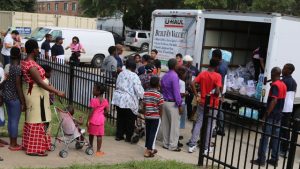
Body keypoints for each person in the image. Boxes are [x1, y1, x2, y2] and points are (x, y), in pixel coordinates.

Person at [21, 39, 65, 156]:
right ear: (34, 50)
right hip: (36, 95)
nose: (38, 51)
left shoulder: (26, 61)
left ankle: (32, 145)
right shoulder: (31, 65)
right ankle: (35, 149)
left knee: (36, 119)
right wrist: (57, 92)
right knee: (38, 120)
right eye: (37, 49)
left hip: (35, 94)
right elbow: (40, 82)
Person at [251, 67, 287, 167]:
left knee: (265, 138)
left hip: (271, 116)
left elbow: (274, 100)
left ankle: (261, 160)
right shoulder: (283, 84)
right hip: (279, 115)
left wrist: (265, 116)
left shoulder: (275, 85)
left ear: (273, 73)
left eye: (271, 72)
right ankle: (274, 159)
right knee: (276, 138)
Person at [188, 59, 222, 154]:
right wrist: (217, 90)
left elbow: (192, 83)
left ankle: (192, 145)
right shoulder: (218, 76)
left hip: (202, 101)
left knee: (199, 123)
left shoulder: (203, 74)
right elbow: (217, 92)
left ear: (209, 64)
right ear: (217, 67)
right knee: (210, 125)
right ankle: (206, 147)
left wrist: (196, 95)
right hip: (213, 103)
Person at [112, 59, 144, 142]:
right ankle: (128, 137)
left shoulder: (121, 73)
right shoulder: (134, 76)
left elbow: (117, 84)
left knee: (120, 117)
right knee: (130, 119)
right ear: (134, 68)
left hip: (119, 98)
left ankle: (119, 135)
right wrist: (143, 96)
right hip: (129, 100)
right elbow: (138, 89)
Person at [3, 47, 26, 151]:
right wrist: (22, 101)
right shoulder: (17, 68)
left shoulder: (8, 66)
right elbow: (18, 86)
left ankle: (12, 141)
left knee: (10, 119)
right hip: (14, 97)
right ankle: (13, 144)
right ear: (19, 55)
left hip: (6, 96)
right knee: (14, 121)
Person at [161, 58, 183, 152]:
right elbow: (176, 92)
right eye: (177, 64)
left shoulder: (164, 76)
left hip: (164, 102)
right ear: (174, 66)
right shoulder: (175, 76)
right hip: (172, 103)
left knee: (166, 124)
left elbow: (161, 88)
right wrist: (180, 105)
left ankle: (165, 144)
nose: (179, 65)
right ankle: (173, 146)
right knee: (174, 126)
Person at [143, 76, 164, 158]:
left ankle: (150, 148)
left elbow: (144, 105)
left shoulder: (146, 93)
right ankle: (148, 150)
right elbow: (161, 108)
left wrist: (145, 114)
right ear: (158, 83)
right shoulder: (159, 95)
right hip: (155, 117)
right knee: (153, 133)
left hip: (147, 116)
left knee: (148, 132)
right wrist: (161, 117)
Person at [87, 82, 109, 157]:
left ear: (98, 91)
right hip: (100, 120)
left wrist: (88, 120)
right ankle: (98, 151)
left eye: (94, 89)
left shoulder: (93, 100)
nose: (92, 90)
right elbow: (107, 110)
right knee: (99, 136)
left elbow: (91, 111)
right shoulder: (105, 100)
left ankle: (90, 146)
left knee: (91, 134)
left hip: (93, 120)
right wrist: (103, 114)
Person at [280, 63, 297, 157]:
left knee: (282, 129)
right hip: (289, 108)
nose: (283, 69)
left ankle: (283, 149)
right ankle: (285, 148)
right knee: (285, 129)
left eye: (284, 68)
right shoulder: (294, 82)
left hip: (283, 108)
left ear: (289, 71)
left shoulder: (284, 81)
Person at [212, 49, 228, 136]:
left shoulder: (221, 68)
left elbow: (220, 83)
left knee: (218, 109)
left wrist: (221, 95)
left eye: (213, 56)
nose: (212, 58)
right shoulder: (224, 62)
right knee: (219, 109)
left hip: (219, 90)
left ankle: (220, 129)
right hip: (222, 89)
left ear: (217, 57)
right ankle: (219, 128)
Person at [183, 55, 199, 120]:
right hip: (184, 88)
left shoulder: (194, 69)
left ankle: (190, 116)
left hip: (192, 88)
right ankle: (184, 115)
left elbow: (198, 76)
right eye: (190, 61)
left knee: (190, 103)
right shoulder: (182, 68)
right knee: (184, 102)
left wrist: (196, 86)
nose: (191, 62)